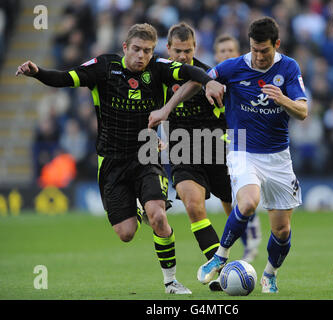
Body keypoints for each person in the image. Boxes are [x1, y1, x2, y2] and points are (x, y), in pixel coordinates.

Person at [16, 23, 224, 295]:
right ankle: (136, 211)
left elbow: (190, 71)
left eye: (148, 51)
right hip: (112, 160)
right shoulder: (104, 67)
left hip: (147, 153)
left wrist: (209, 81)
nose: (142, 56)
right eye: (137, 49)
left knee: (159, 215)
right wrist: (38, 73)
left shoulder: (158, 69)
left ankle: (171, 282)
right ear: (125, 47)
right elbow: (65, 78)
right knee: (126, 233)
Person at [149, 17, 308, 293]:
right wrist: (167, 109)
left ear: (277, 45)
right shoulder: (233, 67)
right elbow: (197, 81)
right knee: (246, 203)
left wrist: (282, 99)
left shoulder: (289, 68)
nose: (259, 57)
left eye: (265, 51)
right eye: (254, 50)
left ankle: (270, 273)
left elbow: (303, 112)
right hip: (242, 151)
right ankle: (219, 256)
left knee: (281, 231)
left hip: (278, 156)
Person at [162, 22, 232, 292]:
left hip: (216, 150)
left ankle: (244, 252)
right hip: (183, 153)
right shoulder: (157, 74)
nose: (182, 57)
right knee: (193, 206)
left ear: (195, 49)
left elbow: (229, 114)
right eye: (177, 51)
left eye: (187, 51)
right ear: (168, 49)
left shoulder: (207, 76)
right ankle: (220, 269)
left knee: (237, 209)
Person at [213, 33, 263, 264]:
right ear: (216, 55)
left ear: (238, 54)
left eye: (230, 51)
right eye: (221, 52)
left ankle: (248, 243)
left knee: (238, 196)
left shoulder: (244, 78)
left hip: (241, 142)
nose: (225, 55)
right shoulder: (210, 82)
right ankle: (246, 236)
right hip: (214, 142)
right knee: (228, 201)